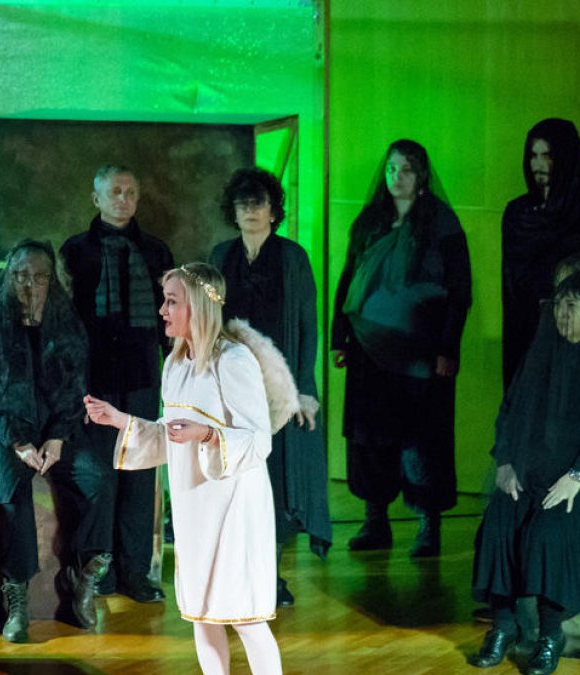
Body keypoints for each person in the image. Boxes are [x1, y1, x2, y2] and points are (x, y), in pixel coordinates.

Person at [85, 262, 288, 675]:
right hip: (195, 507)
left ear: (198, 306)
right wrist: (122, 420)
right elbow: (171, 435)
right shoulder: (175, 364)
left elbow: (258, 439)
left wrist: (210, 435)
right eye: (164, 300)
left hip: (233, 508)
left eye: (172, 301)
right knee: (200, 612)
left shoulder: (233, 361)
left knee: (245, 617)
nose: (162, 310)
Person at [470, 267, 580, 675]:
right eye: (559, 307)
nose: (563, 316)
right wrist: (507, 460)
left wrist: (579, 475)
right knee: (500, 520)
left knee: (550, 529)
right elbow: (511, 409)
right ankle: (503, 625)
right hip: (533, 463)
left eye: (573, 307)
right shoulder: (544, 348)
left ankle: (550, 635)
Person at [331, 139, 473, 556]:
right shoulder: (371, 221)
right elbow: (348, 279)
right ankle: (376, 521)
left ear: (422, 174)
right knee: (371, 437)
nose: (398, 177)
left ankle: (429, 526)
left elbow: (459, 290)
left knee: (422, 439)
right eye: (392, 168)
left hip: (420, 354)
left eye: (407, 169)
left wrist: (449, 348)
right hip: (368, 351)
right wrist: (341, 336)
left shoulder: (442, 223)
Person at [0, 240, 112, 643]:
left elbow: (74, 389)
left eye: (40, 276)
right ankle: (16, 593)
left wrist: (58, 436)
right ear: (9, 278)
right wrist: (17, 442)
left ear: (52, 281)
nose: (30, 284)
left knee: (97, 477)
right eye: (21, 276)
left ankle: (82, 574)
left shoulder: (66, 324)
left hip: (53, 431)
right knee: (13, 483)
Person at [210, 168, 332, 608]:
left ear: (274, 210)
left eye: (258, 203)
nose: (251, 212)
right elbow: (208, 323)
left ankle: (269, 575)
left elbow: (307, 327)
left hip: (279, 390)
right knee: (235, 481)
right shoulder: (221, 255)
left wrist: (302, 388)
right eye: (243, 204)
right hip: (233, 390)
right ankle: (237, 574)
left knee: (277, 483)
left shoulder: (293, 258)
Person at [61, 164, 174, 603]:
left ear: (138, 197)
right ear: (96, 198)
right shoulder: (75, 252)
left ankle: (135, 572)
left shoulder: (156, 252)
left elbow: (170, 317)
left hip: (144, 375)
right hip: (96, 378)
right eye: (114, 192)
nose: (122, 199)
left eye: (130, 192)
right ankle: (98, 568)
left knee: (140, 473)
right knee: (100, 472)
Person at [502, 118, 580, 390]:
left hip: (575, 337)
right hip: (527, 334)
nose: (538, 165)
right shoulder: (518, 214)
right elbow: (512, 283)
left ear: (565, 159)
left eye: (547, 156)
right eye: (533, 156)